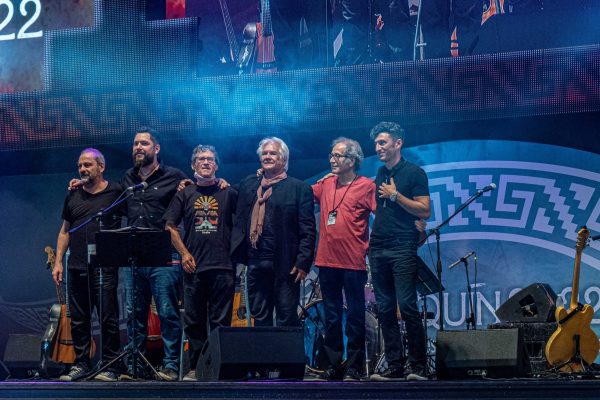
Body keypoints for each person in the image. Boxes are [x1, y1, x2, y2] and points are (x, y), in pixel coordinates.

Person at [164, 145, 237, 382]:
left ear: (217, 165)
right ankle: (196, 368)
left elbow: (244, 221)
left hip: (223, 267)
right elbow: (169, 226)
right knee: (194, 322)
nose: (206, 162)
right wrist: (184, 254)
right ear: (193, 165)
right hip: (193, 267)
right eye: (201, 159)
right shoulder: (185, 193)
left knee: (220, 323)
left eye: (210, 159)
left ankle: (218, 368)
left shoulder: (228, 192)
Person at [368, 121, 431, 381]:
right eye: (376, 143)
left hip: (402, 246)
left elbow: (425, 210)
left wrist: (396, 196)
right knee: (384, 308)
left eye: (382, 142)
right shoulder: (380, 173)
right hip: (378, 246)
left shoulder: (414, 173)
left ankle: (418, 365)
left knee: (406, 305)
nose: (378, 147)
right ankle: (395, 364)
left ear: (398, 143)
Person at [52, 148, 123, 382]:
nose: (83, 169)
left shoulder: (116, 192)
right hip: (76, 266)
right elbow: (65, 231)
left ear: (101, 167)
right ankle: (81, 364)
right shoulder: (73, 195)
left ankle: (111, 365)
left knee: (108, 318)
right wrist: (58, 262)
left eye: (88, 165)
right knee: (79, 319)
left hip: (104, 267)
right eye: (80, 166)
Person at [231, 137, 316, 328]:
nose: (268, 156)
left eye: (273, 153)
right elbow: (226, 195)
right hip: (255, 262)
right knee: (260, 317)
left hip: (285, 264)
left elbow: (308, 229)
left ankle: (286, 350)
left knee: (286, 317)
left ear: (284, 159)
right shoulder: (249, 184)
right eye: (265, 153)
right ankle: (264, 349)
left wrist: (303, 261)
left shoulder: (299, 188)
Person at [310, 137, 376, 381]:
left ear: (352, 160)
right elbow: (300, 194)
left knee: (355, 317)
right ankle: (333, 364)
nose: (332, 160)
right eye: (331, 155)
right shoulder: (326, 183)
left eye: (338, 156)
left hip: (353, 263)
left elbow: (384, 216)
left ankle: (354, 367)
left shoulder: (367, 186)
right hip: (326, 261)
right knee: (331, 316)